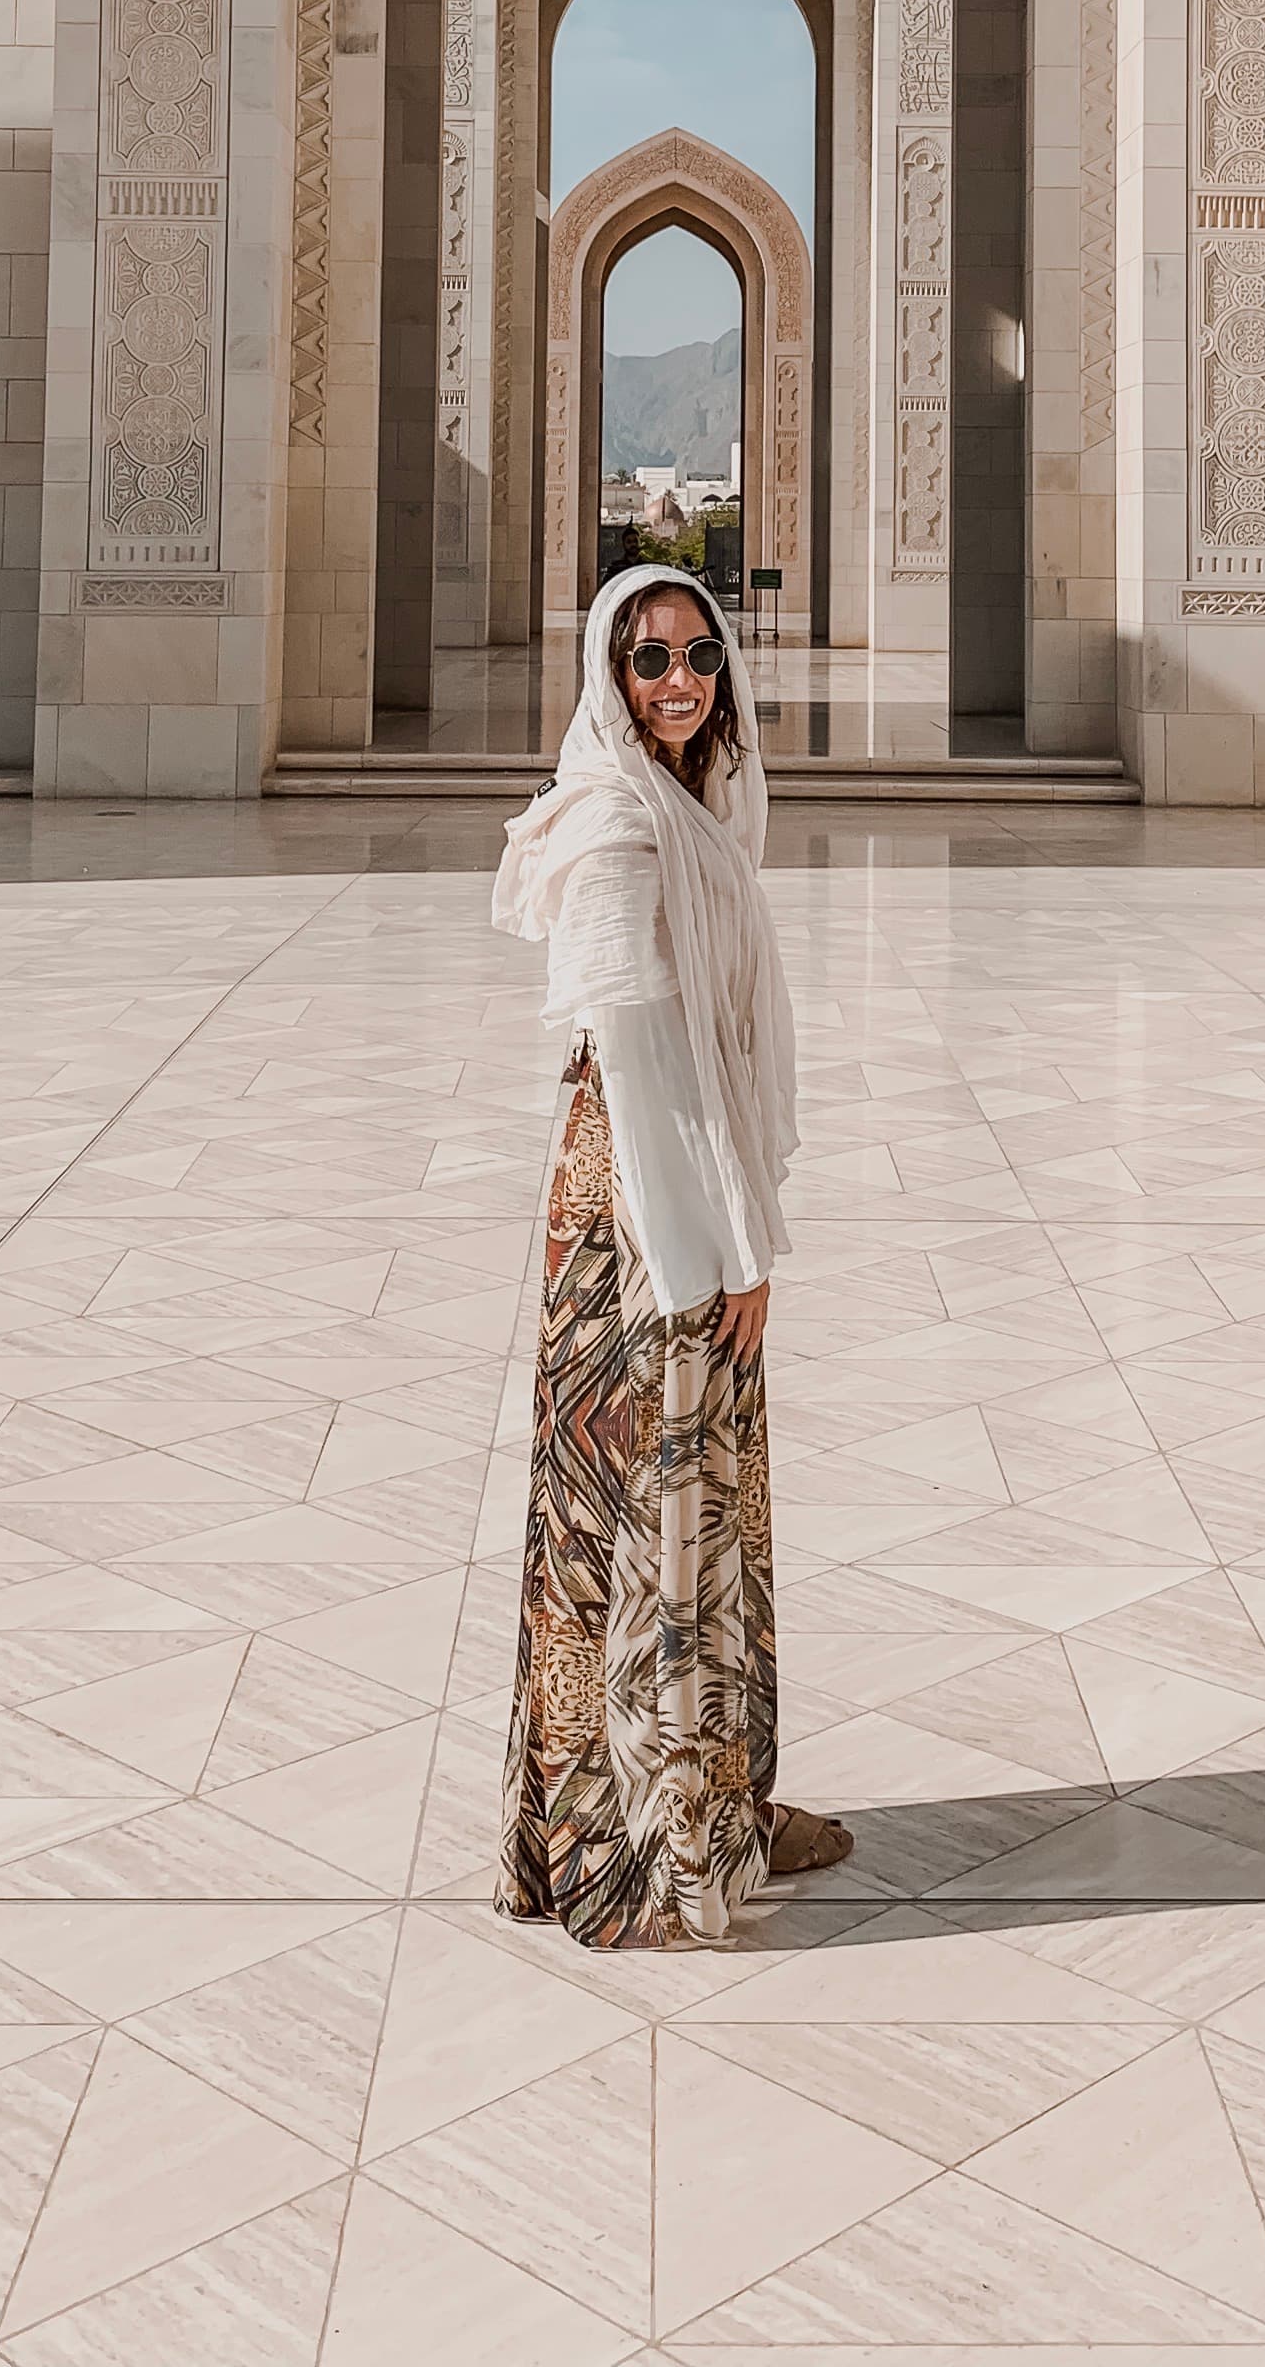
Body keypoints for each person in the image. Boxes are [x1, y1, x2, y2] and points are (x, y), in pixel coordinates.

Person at [491, 561, 855, 1946]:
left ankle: (720, 1807)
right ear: (608, 676)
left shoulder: (687, 811)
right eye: (649, 662)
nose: (680, 683)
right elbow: (641, 1067)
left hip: (666, 1204)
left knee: (692, 1520)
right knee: (649, 1524)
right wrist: (721, 1260)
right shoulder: (623, 837)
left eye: (698, 656)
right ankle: (643, 1851)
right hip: (650, 1229)